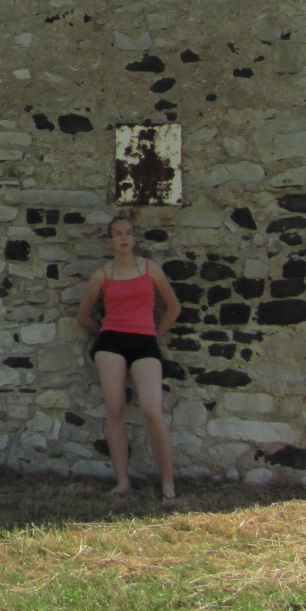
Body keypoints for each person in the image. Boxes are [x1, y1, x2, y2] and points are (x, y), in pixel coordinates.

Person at [76, 216, 182, 504]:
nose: (123, 238)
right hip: (111, 342)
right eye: (117, 234)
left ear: (135, 239)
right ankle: (122, 482)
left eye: (128, 233)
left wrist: (155, 334)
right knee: (116, 409)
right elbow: (83, 316)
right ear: (110, 241)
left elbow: (173, 307)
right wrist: (104, 333)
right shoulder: (102, 274)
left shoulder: (151, 270)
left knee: (151, 411)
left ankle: (168, 485)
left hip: (145, 341)